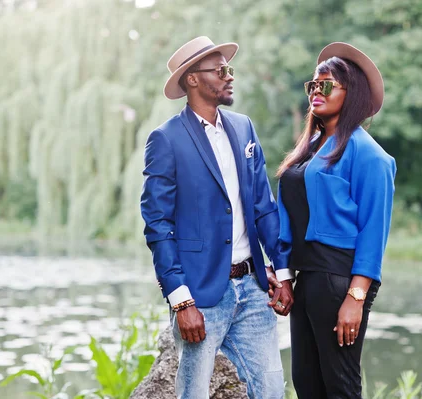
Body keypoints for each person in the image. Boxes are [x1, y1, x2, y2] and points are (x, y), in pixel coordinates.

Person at [140, 36, 294, 399]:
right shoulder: (166, 140)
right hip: (201, 295)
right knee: (193, 394)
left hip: (255, 290)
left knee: (271, 390)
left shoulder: (244, 128)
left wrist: (283, 272)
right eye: (220, 70)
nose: (229, 77)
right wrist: (181, 300)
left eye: (230, 69)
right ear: (192, 79)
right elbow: (158, 225)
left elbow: (264, 205)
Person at [276, 42, 396, 398]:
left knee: (340, 386)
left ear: (351, 92)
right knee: (307, 384)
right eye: (313, 84)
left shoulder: (370, 155)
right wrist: (283, 274)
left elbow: (374, 232)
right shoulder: (309, 147)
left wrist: (356, 297)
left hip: (340, 280)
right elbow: (287, 216)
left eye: (327, 84)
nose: (317, 91)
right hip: (307, 279)